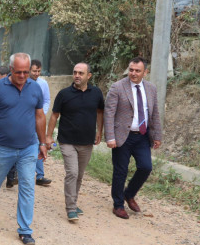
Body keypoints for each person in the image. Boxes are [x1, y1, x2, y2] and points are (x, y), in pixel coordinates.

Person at [0, 53, 48, 245]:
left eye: (26, 72)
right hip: (2, 147)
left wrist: (43, 143)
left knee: (27, 186)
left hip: (28, 147)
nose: (23, 76)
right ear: (11, 70)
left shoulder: (35, 88)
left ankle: (25, 230)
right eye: (19, 72)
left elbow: (39, 116)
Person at [104, 57, 162, 219]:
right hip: (122, 136)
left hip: (142, 136)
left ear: (145, 72)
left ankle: (129, 194)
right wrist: (110, 137)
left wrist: (157, 135)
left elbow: (154, 113)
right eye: (131, 70)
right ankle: (118, 205)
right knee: (120, 171)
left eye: (137, 70)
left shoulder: (151, 88)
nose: (133, 73)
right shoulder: (117, 87)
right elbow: (109, 113)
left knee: (146, 167)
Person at [46, 63, 104, 221]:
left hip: (87, 142)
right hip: (67, 141)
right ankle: (71, 208)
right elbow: (54, 115)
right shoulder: (64, 94)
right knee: (72, 172)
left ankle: (73, 200)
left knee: (79, 175)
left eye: (81, 73)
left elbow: (100, 111)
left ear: (89, 76)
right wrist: (48, 136)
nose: (77, 75)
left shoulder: (96, 93)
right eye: (75, 72)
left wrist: (99, 131)